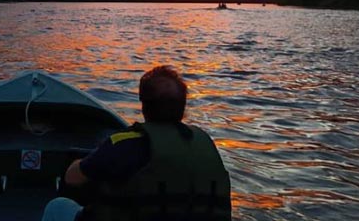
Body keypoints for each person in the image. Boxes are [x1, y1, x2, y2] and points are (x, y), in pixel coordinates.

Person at [43, 66, 231, 221]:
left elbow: (72, 178)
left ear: (144, 106)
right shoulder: (204, 143)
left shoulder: (125, 145)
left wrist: (80, 162)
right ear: (183, 107)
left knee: (56, 207)